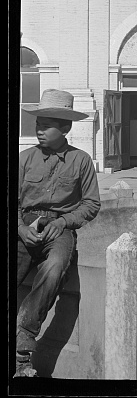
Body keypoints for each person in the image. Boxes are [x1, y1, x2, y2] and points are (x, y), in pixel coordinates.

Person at [15, 89, 101, 377]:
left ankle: (22, 348)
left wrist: (64, 223)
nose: (39, 130)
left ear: (65, 128)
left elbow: (91, 204)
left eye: (46, 125)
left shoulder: (82, 161)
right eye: (37, 124)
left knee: (54, 269)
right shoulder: (24, 158)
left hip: (60, 228)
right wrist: (20, 228)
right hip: (24, 225)